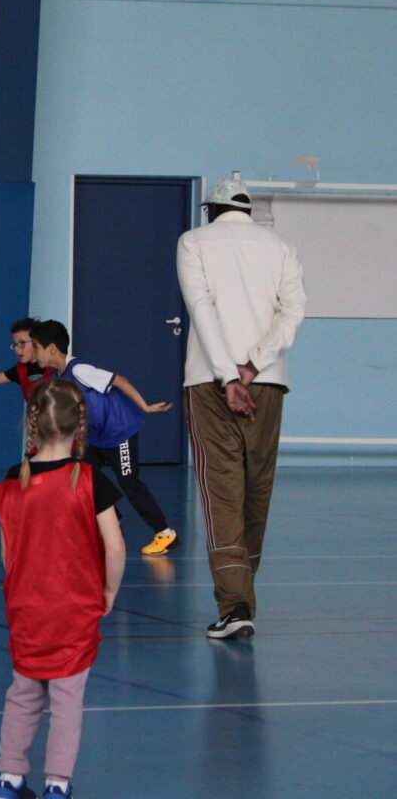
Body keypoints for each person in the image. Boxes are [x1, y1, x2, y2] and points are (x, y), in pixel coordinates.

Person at [177, 171, 305, 640]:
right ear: (248, 211)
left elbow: (201, 306)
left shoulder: (193, 241)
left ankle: (235, 606)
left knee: (222, 490)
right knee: (257, 487)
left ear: (211, 211)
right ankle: (243, 592)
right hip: (267, 381)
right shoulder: (282, 247)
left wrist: (228, 375)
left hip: (209, 382)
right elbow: (292, 313)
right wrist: (252, 366)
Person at [0, 378, 126, 799]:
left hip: (27, 607)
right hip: (74, 608)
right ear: (80, 426)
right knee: (67, 699)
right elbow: (115, 546)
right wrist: (109, 591)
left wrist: (20, 588)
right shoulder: (90, 480)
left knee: (23, 693)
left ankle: (9, 780)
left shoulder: (13, 480)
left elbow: (8, 550)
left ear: (33, 423)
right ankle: (57, 784)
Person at [30, 320, 178, 556]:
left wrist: (145, 406)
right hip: (97, 438)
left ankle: (165, 532)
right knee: (81, 476)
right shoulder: (59, 376)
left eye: (36, 346)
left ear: (52, 348)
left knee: (129, 483)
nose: (33, 352)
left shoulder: (79, 370)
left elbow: (119, 380)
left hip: (120, 433)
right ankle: (112, 520)